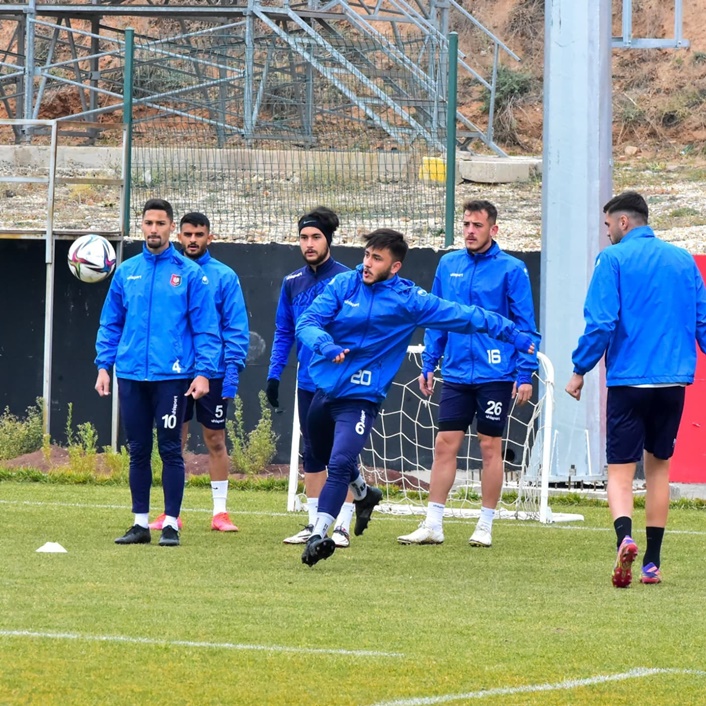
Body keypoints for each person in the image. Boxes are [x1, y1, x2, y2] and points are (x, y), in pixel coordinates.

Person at [295, 228, 536, 567]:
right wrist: (325, 344)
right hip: (325, 389)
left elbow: (464, 315)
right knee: (319, 456)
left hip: (362, 397)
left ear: (395, 267)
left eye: (376, 258)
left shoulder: (409, 300)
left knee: (338, 463)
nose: (367, 264)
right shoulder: (344, 284)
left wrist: (511, 333)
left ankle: (319, 535)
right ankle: (364, 494)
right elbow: (307, 322)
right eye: (366, 255)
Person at [566, 190, 706, 587]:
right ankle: (652, 563)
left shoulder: (612, 259)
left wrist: (579, 369)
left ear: (623, 222)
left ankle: (624, 539)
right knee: (659, 468)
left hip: (629, 381)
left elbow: (601, 322)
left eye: (608, 224)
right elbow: (702, 321)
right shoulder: (682, 260)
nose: (607, 231)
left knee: (621, 470)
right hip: (672, 382)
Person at [397, 200, 539, 549]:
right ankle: (433, 523)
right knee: (445, 444)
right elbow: (436, 317)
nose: (470, 231)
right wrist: (429, 362)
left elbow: (526, 326)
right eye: (466, 224)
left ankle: (485, 524)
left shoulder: (512, 269)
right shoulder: (449, 265)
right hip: (457, 372)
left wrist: (525, 373)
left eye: (477, 225)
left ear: (493, 229)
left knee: (490, 445)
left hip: (496, 373)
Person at [95, 198, 221, 547]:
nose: (154, 229)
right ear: (142, 226)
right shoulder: (126, 272)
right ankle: (139, 524)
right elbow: (110, 323)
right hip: (131, 375)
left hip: (172, 377)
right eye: (149, 223)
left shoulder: (189, 274)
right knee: (137, 450)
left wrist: (203, 372)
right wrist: (104, 366)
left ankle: (171, 525)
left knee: (170, 449)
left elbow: (206, 328)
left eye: (160, 224)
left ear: (171, 229)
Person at [147, 212, 249, 533]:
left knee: (215, 439)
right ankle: (171, 513)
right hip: (176, 372)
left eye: (199, 234)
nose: (193, 240)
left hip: (213, 372)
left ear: (209, 237)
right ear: (179, 235)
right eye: (188, 234)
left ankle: (220, 513)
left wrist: (232, 370)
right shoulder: (167, 271)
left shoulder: (224, 276)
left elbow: (235, 326)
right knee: (173, 440)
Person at [266, 207, 355, 548]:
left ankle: (342, 525)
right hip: (307, 382)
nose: (309, 244)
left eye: (316, 237)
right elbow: (283, 331)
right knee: (313, 452)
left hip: (339, 381)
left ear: (328, 239)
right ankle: (315, 522)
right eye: (303, 237)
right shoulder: (292, 283)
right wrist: (274, 374)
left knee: (341, 453)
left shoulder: (347, 280)